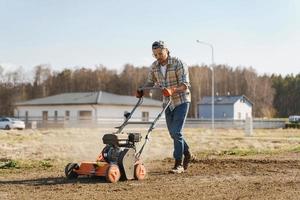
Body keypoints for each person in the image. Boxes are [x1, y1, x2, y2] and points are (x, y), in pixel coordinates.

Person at [137, 40, 194, 173]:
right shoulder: (154, 67)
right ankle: (188, 153)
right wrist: (141, 89)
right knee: (173, 133)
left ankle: (178, 164)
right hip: (167, 103)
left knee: (176, 132)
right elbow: (150, 82)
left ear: (167, 50)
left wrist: (172, 90)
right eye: (155, 55)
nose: (158, 57)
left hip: (181, 100)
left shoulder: (178, 63)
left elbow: (185, 85)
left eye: (160, 53)